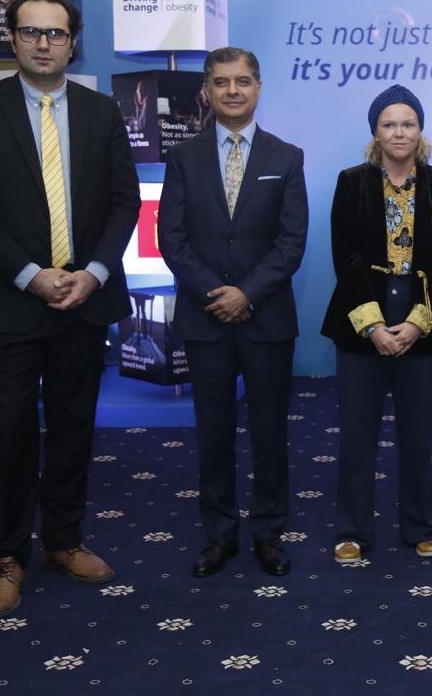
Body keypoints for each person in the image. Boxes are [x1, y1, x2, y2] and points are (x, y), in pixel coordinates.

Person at [0, 0, 140, 619]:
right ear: (12, 38)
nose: (43, 43)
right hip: (10, 302)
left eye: (55, 33)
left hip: (83, 301)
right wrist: (30, 276)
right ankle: (7, 557)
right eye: (30, 31)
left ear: (72, 43)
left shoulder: (100, 112)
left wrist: (96, 273)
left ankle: (63, 539)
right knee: (9, 431)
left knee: (73, 426)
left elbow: (124, 201)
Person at [157, 47, 308, 579]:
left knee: (269, 432)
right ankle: (219, 534)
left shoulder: (287, 157)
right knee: (213, 432)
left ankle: (268, 532)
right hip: (205, 320)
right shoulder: (183, 157)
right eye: (221, 82)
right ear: (207, 91)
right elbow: (171, 238)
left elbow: (291, 242)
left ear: (258, 87)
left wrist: (246, 293)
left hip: (267, 318)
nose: (233, 91)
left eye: (243, 81)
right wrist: (214, 294)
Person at [321, 85, 432, 563]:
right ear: (375, 132)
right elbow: (345, 257)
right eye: (389, 124)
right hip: (361, 321)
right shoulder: (351, 181)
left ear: (420, 130)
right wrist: (374, 327)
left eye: (408, 123)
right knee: (357, 436)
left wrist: (419, 323)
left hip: (423, 320)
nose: (399, 132)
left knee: (418, 436)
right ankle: (352, 530)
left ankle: (420, 525)